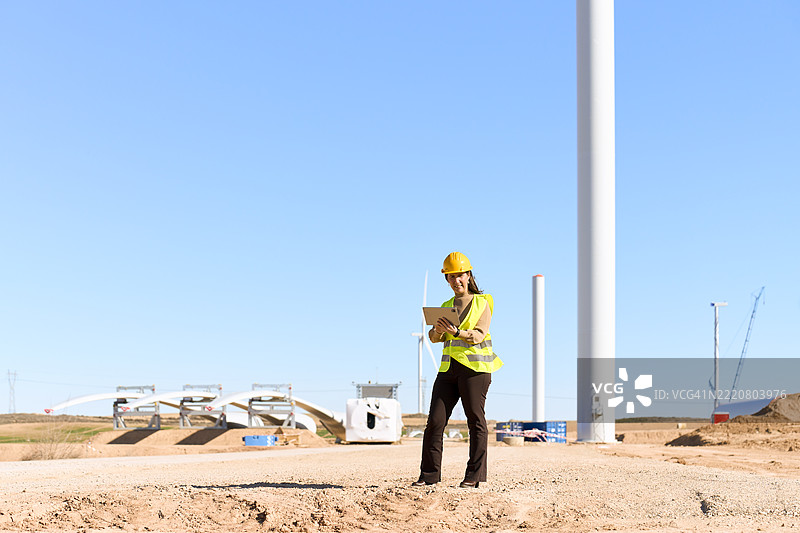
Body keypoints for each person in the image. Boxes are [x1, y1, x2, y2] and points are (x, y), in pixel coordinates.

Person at [413, 252, 503, 489]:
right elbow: (433, 337)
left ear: (468, 275)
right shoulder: (445, 306)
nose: (456, 281)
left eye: (459, 275)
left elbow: (478, 335)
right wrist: (439, 330)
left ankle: (474, 476)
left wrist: (455, 332)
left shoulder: (483, 302)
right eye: (451, 277)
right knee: (435, 421)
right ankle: (429, 475)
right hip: (448, 370)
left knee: (475, 421)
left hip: (475, 369)